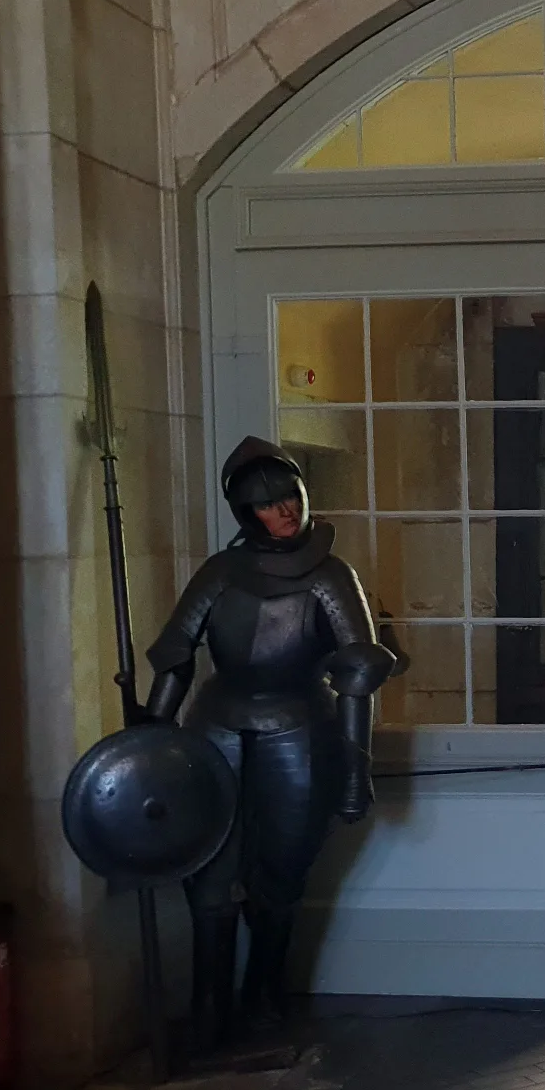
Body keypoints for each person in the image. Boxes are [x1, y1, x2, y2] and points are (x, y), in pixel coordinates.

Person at [145, 437, 397, 1039]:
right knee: (208, 875)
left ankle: (263, 1000)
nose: (284, 510)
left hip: (299, 727)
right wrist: (151, 740)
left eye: (289, 496)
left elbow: (356, 674)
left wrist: (355, 768)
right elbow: (177, 656)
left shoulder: (331, 576)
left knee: (280, 876)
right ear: (245, 513)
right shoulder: (221, 572)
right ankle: (210, 1009)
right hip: (216, 725)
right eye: (266, 504)